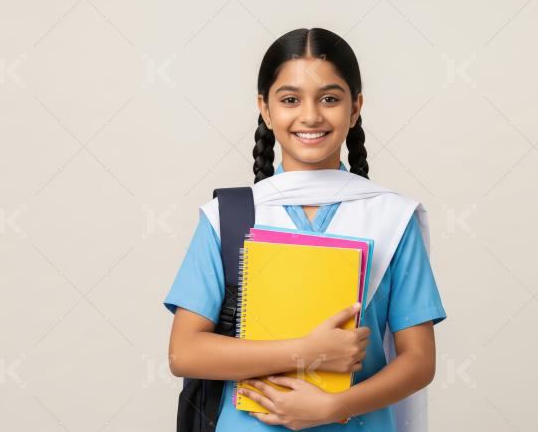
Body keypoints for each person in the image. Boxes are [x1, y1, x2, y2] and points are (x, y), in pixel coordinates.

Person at [164, 27, 446, 431]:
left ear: (355, 108)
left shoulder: (392, 217)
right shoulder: (228, 216)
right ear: (265, 108)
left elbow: (419, 361)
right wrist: (306, 352)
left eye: (329, 98)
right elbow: (185, 353)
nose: (310, 115)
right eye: (291, 99)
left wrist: (336, 407)